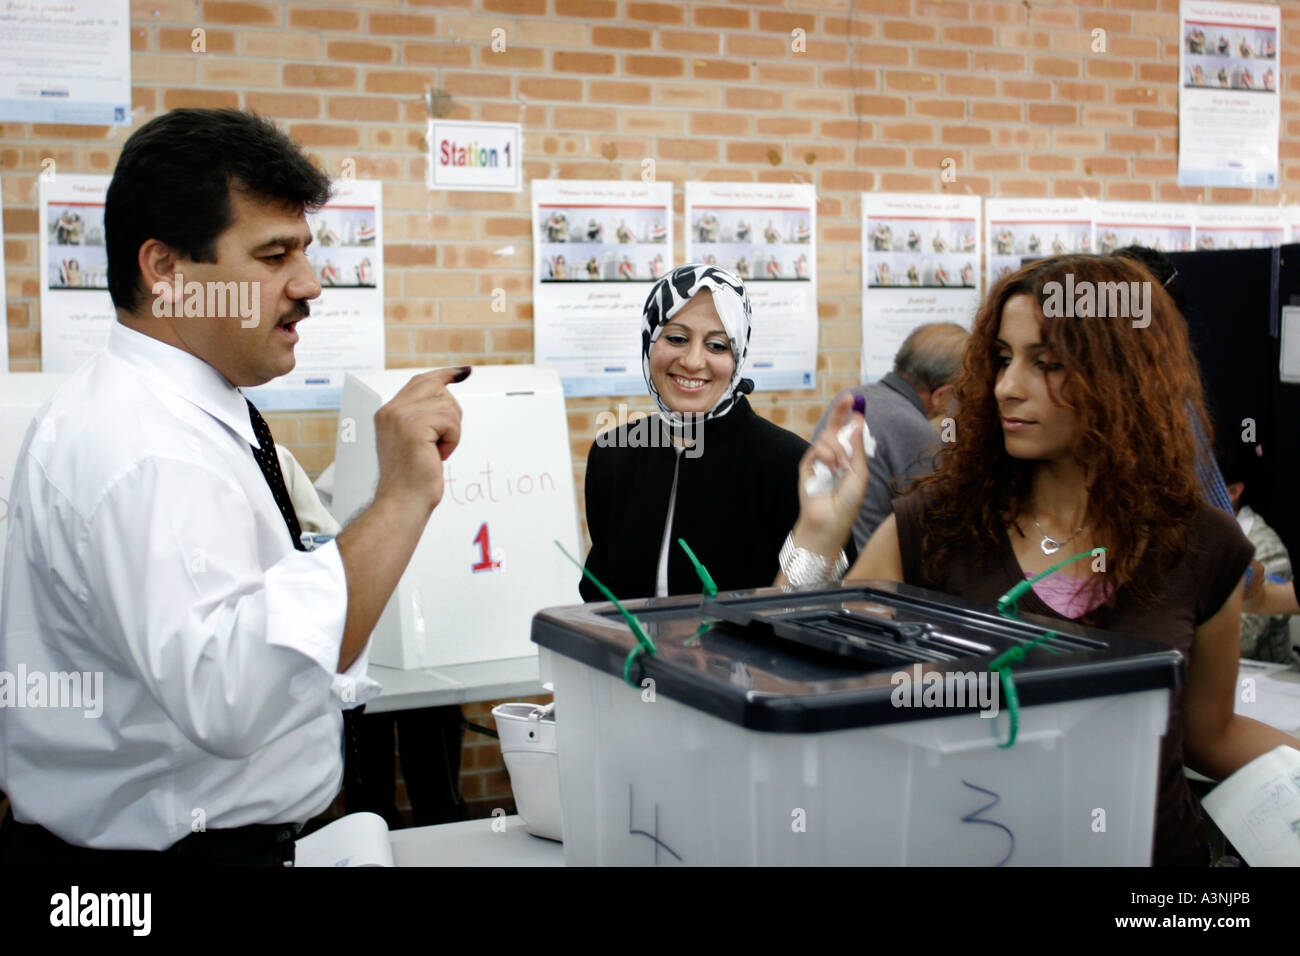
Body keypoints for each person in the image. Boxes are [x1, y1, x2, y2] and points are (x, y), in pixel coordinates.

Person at [0, 109, 466, 864]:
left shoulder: (188, 408)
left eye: (306, 252)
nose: (310, 285)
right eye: (274, 255)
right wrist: (401, 500)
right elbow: (233, 693)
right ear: (168, 272)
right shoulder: (145, 448)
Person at [783, 253, 1299, 867]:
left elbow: (1211, 734)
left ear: (1122, 375)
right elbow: (803, 680)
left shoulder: (1202, 544)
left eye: (1045, 363)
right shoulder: (938, 526)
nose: (1007, 386)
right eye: (1002, 358)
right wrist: (817, 540)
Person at [581, 264, 811, 600]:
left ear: (738, 355)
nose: (692, 361)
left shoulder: (789, 464)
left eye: (717, 346)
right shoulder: (613, 454)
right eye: (676, 338)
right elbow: (598, 596)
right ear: (649, 341)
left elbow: (815, 604)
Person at [812, 322, 968, 550]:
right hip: (873, 575)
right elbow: (940, 527)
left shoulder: (850, 398)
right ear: (941, 395)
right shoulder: (917, 432)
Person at [1217, 440, 1295, 663]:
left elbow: (1240, 641)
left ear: (1233, 491)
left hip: (1257, 686)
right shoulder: (1186, 539)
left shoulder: (1264, 548)